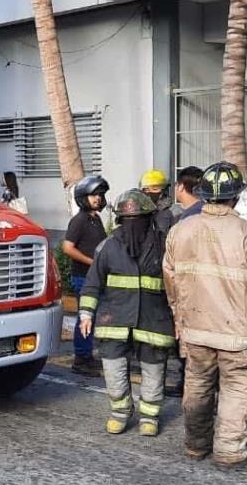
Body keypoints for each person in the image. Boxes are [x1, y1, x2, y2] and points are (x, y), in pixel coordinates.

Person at [163, 162, 247, 469]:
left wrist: (180, 318)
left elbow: (170, 281)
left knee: (198, 385)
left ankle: (196, 445)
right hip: (238, 333)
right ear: (236, 197)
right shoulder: (246, 232)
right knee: (237, 388)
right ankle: (228, 451)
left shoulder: (179, 230)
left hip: (195, 329)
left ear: (203, 195)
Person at [79, 189, 175, 437]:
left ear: (149, 219)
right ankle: (120, 412)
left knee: (154, 370)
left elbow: (177, 284)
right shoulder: (108, 247)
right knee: (113, 370)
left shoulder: (164, 247)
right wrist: (86, 313)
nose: (133, 225)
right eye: (128, 220)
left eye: (139, 220)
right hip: (114, 321)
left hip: (153, 321)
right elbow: (92, 283)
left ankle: (150, 416)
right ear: (120, 220)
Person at [63, 175, 109, 376]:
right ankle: (81, 359)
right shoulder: (79, 220)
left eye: (100, 195)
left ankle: (88, 356)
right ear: (83, 197)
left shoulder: (95, 219)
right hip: (84, 277)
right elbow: (67, 248)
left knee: (92, 317)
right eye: (93, 195)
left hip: (95, 277)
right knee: (85, 317)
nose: (98, 199)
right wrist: (92, 262)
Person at [163, 166, 203, 398]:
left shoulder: (186, 219)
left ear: (180, 187)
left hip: (189, 293)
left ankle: (189, 385)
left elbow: (173, 265)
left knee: (188, 344)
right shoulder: (208, 212)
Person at [140, 168, 175, 234]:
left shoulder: (174, 212)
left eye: (155, 189)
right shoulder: (140, 211)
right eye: (146, 189)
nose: (149, 192)